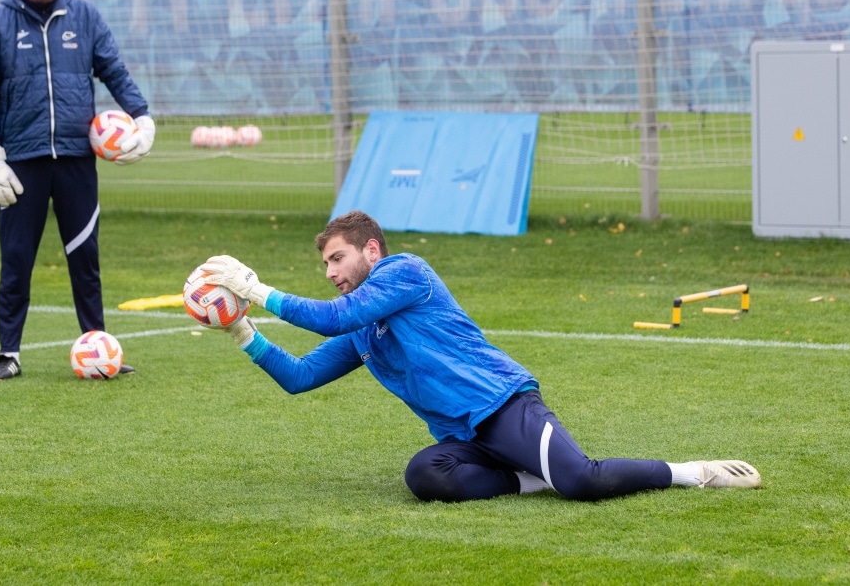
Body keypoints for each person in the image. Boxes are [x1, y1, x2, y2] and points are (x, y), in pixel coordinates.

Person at [197, 210, 761, 502]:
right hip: (464, 439)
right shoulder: (365, 330)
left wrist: (254, 286)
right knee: (425, 476)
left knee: (585, 483)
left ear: (371, 250)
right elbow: (300, 377)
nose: (331, 273)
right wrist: (244, 332)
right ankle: (534, 481)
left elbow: (332, 315)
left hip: (506, 406)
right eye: (325, 265)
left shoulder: (406, 272)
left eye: (338, 259)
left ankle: (695, 473)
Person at [0, 0, 155, 381]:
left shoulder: (85, 16)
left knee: (84, 257)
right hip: (21, 162)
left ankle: (99, 347)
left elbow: (114, 70)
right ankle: (8, 354)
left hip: (76, 160)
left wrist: (143, 119)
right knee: (16, 259)